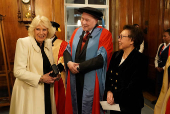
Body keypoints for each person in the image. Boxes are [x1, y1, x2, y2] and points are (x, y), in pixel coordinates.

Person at [63, 7, 113, 114]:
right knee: (75, 104)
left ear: (96, 21)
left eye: (87, 20)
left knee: (89, 106)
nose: (83, 22)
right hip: (74, 76)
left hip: (91, 78)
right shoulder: (77, 32)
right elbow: (67, 50)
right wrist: (69, 63)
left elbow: (101, 58)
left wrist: (79, 67)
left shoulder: (104, 34)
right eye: (82, 19)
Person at [9, 15, 59, 114]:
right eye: (38, 29)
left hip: (47, 89)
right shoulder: (23, 42)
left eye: (44, 29)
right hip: (29, 92)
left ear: (48, 31)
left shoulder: (48, 42)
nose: (41, 33)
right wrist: (41, 78)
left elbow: (51, 64)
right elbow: (18, 71)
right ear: (33, 30)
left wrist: (56, 74)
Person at [105, 25, 148, 114]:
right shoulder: (116, 55)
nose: (118, 40)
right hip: (114, 104)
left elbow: (134, 86)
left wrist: (115, 96)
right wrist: (109, 91)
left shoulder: (140, 59)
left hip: (130, 105)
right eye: (118, 36)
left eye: (121, 37)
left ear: (132, 40)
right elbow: (109, 76)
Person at [51, 21, 68, 114]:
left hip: (58, 78)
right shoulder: (40, 43)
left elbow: (64, 61)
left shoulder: (63, 44)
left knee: (59, 103)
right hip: (42, 77)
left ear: (54, 31)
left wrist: (54, 72)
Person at [153, 29, 170, 104]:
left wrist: (163, 68)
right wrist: (157, 66)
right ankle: (158, 100)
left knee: (165, 86)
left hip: (166, 70)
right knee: (159, 84)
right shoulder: (161, 45)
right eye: (163, 36)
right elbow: (157, 57)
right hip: (159, 69)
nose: (163, 38)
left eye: (165, 36)